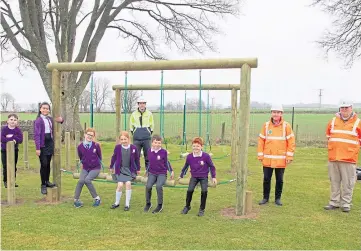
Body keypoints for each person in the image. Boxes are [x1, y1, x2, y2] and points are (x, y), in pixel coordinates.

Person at [323, 100, 361, 213]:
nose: (344, 110)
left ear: (351, 108)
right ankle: (334, 202)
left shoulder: (358, 123)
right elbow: (328, 136)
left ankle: (345, 204)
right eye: (342, 108)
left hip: (349, 159)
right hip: (334, 157)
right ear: (339, 109)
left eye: (346, 108)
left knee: (348, 182)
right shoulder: (333, 121)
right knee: (334, 181)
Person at [257, 104, 296, 206]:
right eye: (274, 112)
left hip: (280, 159)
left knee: (279, 180)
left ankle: (277, 199)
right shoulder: (265, 126)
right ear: (271, 113)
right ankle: (265, 198)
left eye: (278, 112)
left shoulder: (286, 126)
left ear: (281, 114)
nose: (276, 114)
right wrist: (260, 155)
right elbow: (261, 141)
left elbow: (291, 142)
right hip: (267, 158)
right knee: (266, 179)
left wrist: (289, 156)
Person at [179, 137, 217, 217]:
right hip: (194, 176)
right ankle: (187, 206)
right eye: (194, 146)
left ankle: (201, 209)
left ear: (201, 147)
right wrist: (181, 175)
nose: (196, 148)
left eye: (198, 146)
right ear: (192, 147)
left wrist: (213, 177)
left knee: (204, 191)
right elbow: (185, 167)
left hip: (203, 177)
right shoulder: (189, 156)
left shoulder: (206, 156)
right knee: (190, 190)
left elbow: (211, 166)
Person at [33, 102, 63, 195]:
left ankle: (47, 181)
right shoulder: (38, 120)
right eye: (44, 108)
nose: (45, 110)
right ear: (40, 109)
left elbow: (58, 121)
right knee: (44, 164)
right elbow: (37, 135)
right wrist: (38, 148)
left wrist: (61, 120)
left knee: (48, 164)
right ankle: (43, 184)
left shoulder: (50, 119)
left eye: (47, 108)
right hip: (42, 145)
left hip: (50, 143)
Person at [109, 131, 140, 211]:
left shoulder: (133, 148)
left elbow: (137, 159)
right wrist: (111, 166)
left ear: (129, 139)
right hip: (120, 170)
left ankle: (127, 204)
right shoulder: (118, 147)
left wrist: (138, 169)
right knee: (119, 185)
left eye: (125, 139)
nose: (123, 141)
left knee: (128, 184)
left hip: (130, 170)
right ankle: (116, 203)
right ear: (120, 140)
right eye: (122, 139)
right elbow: (114, 157)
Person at [144, 135, 174, 214]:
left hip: (162, 173)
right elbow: (149, 162)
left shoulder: (163, 152)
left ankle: (160, 205)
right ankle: (148, 203)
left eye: (159, 143)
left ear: (161, 143)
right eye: (155, 142)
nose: (157, 144)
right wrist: (147, 170)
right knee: (148, 186)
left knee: (158, 186)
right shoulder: (149, 151)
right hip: (152, 173)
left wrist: (171, 171)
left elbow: (167, 162)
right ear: (152, 143)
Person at [73, 128, 102, 208]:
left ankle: (97, 198)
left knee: (87, 180)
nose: (90, 136)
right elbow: (81, 157)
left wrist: (95, 164)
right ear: (85, 135)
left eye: (92, 135)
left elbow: (100, 157)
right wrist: (84, 164)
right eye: (88, 134)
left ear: (93, 137)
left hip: (95, 168)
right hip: (85, 168)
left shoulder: (96, 145)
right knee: (81, 181)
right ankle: (76, 200)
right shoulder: (80, 147)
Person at [129, 96, 154, 169]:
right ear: (138, 104)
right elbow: (131, 124)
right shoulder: (134, 114)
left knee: (148, 155)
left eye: (143, 103)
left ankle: (148, 171)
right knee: (135, 155)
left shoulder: (149, 114)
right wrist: (134, 132)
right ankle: (135, 171)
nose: (142, 105)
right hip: (137, 138)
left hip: (146, 138)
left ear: (145, 104)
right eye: (140, 103)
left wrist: (149, 132)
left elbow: (152, 124)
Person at [1, 114, 23, 188]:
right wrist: (12, 139)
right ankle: (6, 181)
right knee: (5, 166)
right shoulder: (4, 129)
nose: (13, 121)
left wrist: (12, 137)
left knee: (13, 166)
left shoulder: (18, 130)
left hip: (14, 150)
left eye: (15, 120)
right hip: (4, 151)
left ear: (17, 122)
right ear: (7, 121)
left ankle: (13, 181)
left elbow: (20, 140)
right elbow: (2, 139)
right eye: (11, 119)